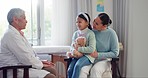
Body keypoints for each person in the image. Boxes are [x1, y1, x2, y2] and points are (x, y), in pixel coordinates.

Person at [0, 8, 56, 78]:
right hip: (14, 71)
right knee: (50, 76)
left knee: (51, 69)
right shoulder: (10, 35)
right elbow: (25, 57)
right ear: (15, 20)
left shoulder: (17, 34)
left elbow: (29, 55)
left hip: (22, 67)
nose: (26, 21)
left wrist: (41, 62)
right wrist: (41, 64)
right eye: (24, 18)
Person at [79, 13, 119, 78]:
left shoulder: (111, 34)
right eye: (94, 21)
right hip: (90, 59)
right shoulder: (91, 32)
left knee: (95, 70)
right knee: (82, 69)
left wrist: (98, 55)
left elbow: (115, 53)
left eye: (97, 24)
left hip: (104, 60)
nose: (93, 24)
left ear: (104, 26)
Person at [67, 12, 96, 78]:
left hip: (87, 56)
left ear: (87, 23)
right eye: (76, 22)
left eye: (80, 22)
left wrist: (78, 49)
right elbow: (72, 46)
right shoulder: (75, 33)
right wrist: (73, 51)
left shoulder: (90, 33)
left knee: (77, 66)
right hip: (77, 56)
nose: (77, 24)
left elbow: (91, 49)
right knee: (69, 70)